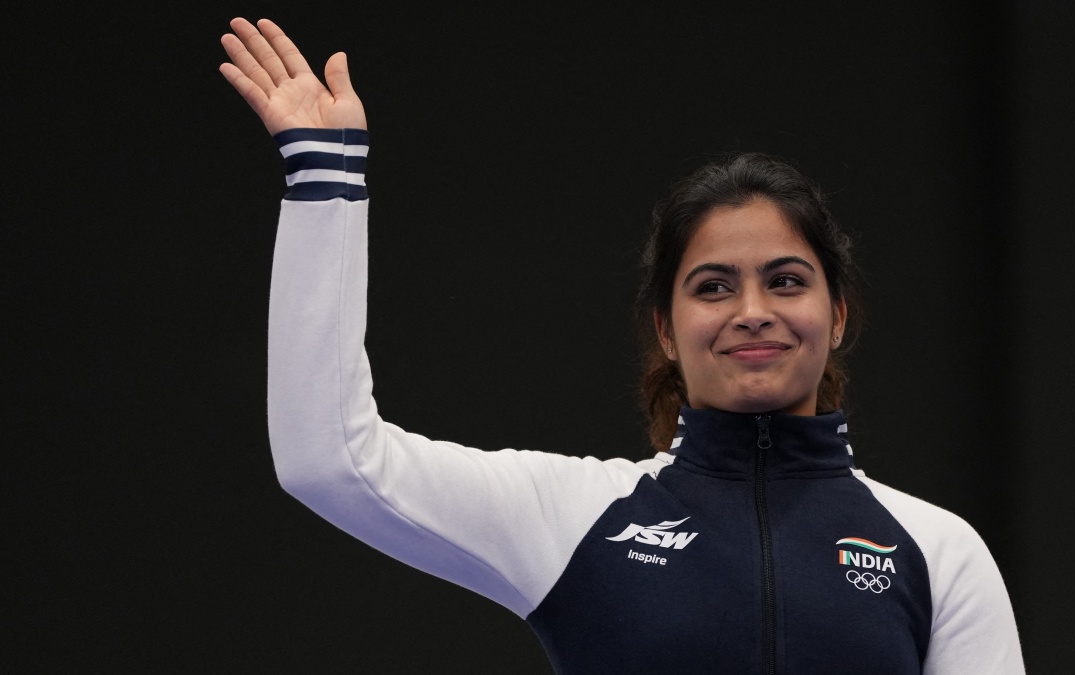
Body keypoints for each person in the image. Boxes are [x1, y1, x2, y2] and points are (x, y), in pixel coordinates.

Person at [220, 17, 1024, 674]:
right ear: (666, 330)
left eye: (786, 280)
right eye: (713, 286)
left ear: (839, 314)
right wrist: (324, 184)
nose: (752, 311)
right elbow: (329, 460)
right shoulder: (576, 519)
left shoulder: (938, 550)